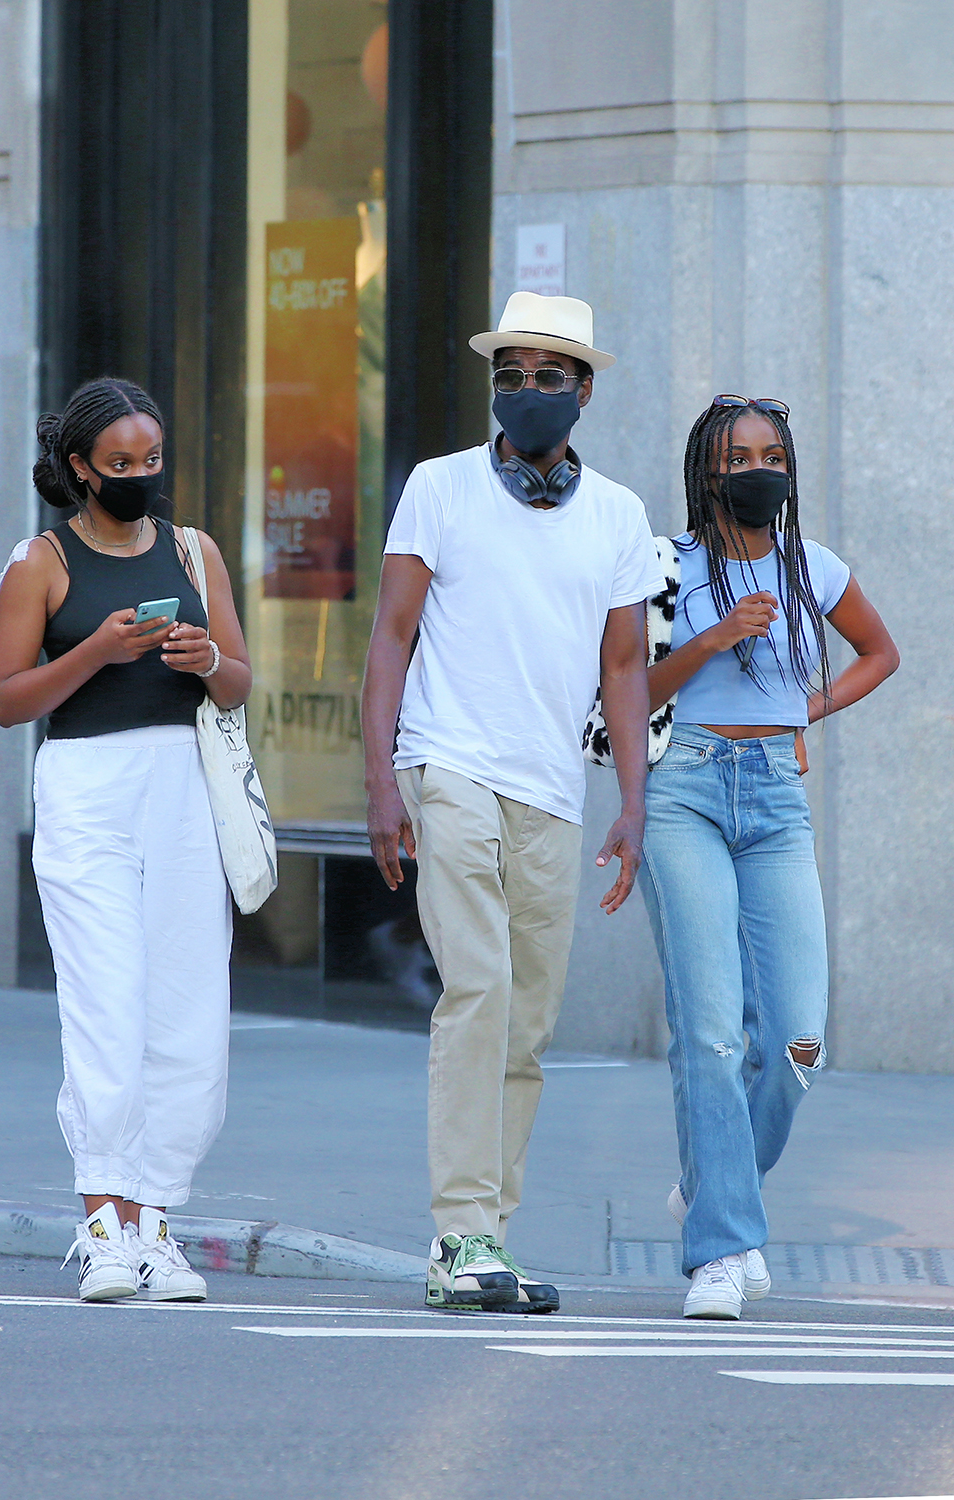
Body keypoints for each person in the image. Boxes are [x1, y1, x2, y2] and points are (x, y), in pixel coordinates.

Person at [362, 292, 665, 1313]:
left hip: (550, 789)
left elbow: (623, 669)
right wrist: (379, 785)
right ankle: (460, 1232)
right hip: (447, 765)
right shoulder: (439, 488)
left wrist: (632, 801)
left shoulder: (620, 515)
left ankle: (489, 1233)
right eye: (510, 375)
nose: (527, 392)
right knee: (479, 991)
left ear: (583, 391)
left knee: (527, 1023)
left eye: (548, 376)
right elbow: (390, 638)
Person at [0, 377, 252, 1303]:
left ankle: (158, 1225)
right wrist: (98, 649)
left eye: (152, 460)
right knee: (107, 1006)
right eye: (121, 465)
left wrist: (206, 657)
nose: (141, 475)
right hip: (87, 790)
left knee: (186, 1016)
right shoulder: (42, 561)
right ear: (78, 469)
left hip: (182, 790)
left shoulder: (193, 549)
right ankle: (103, 1226)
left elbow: (238, 681)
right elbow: (5, 699)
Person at [638, 394, 899, 1319]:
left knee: (798, 1039)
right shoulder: (667, 566)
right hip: (686, 789)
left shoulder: (812, 568)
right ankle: (722, 1250)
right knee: (710, 1030)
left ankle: (717, 1186)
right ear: (708, 471)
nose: (758, 471)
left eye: (773, 456)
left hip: (777, 803)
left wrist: (804, 716)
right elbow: (628, 683)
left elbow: (879, 653)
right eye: (739, 456)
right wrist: (714, 636)